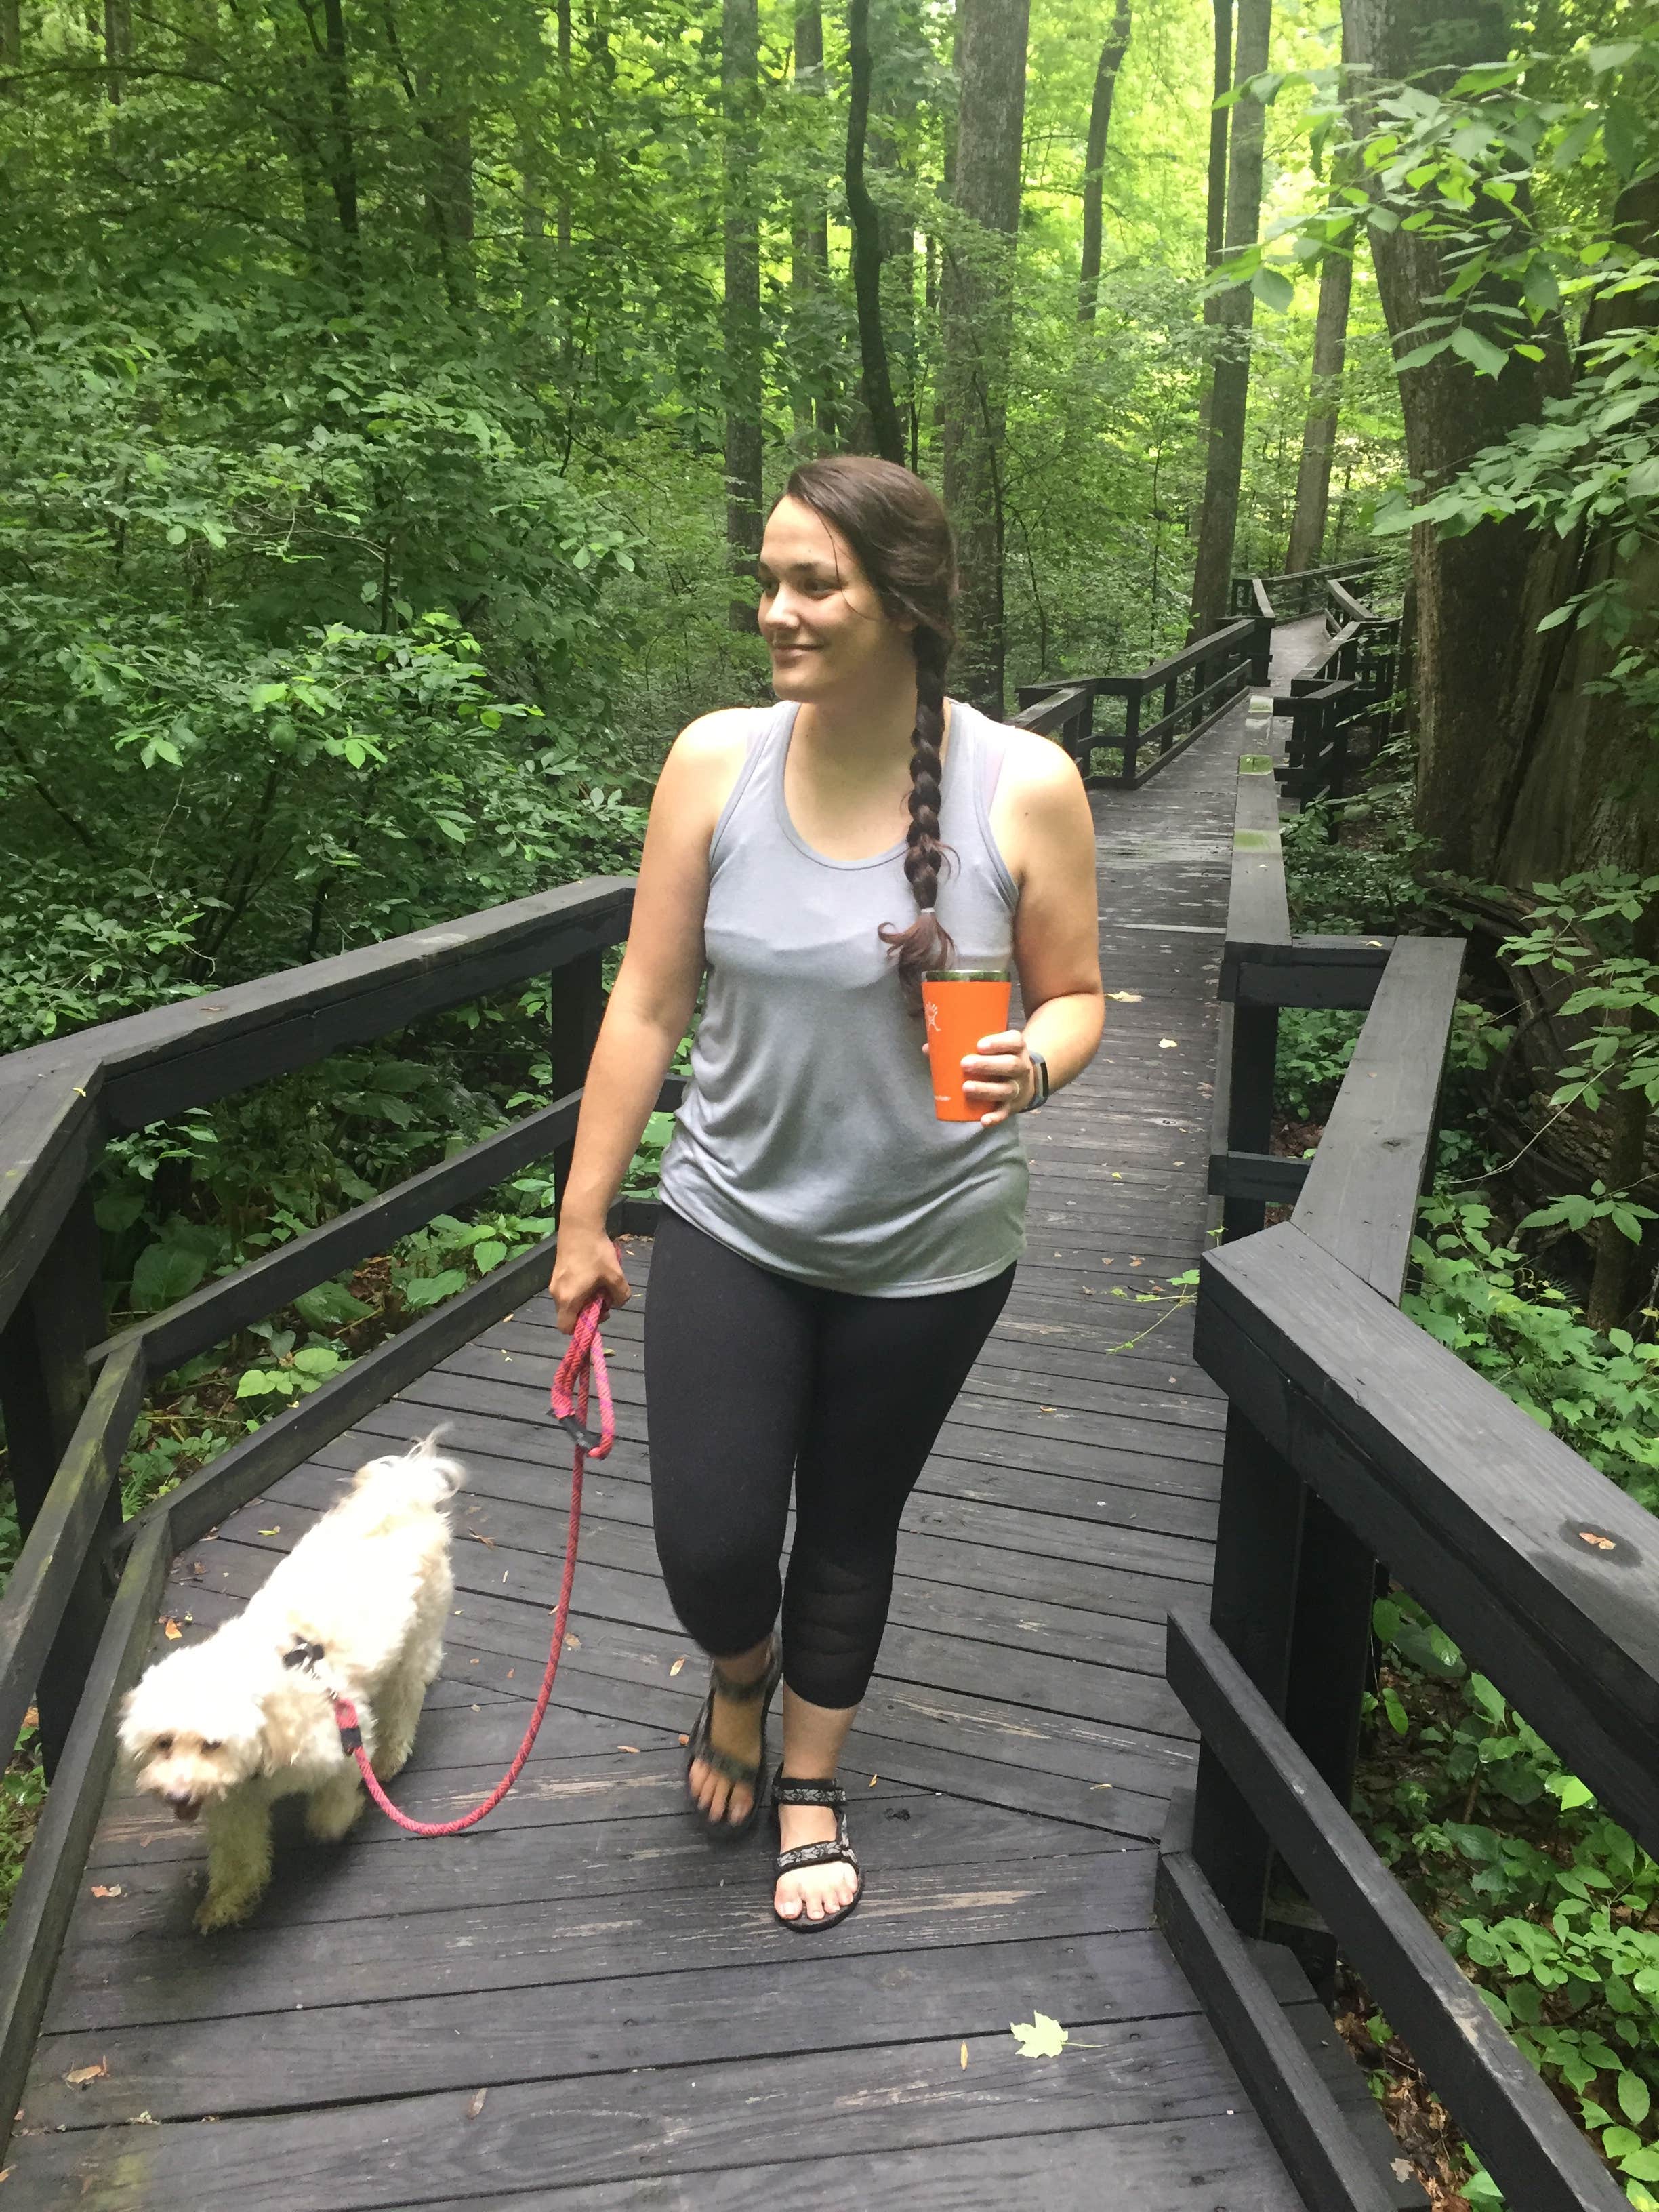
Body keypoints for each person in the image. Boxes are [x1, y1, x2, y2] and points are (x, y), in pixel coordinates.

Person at [550, 455, 1103, 1929]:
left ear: (903, 604)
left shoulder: (1022, 783)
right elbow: (647, 1005)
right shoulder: (716, 761)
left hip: (932, 1243)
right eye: (772, 579)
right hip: (735, 1214)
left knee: (852, 1526)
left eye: (815, 584)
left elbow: (1080, 996)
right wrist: (585, 1213)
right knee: (715, 1541)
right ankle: (739, 1674)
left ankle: (809, 1778)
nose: (776, 610)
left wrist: (1033, 1069)